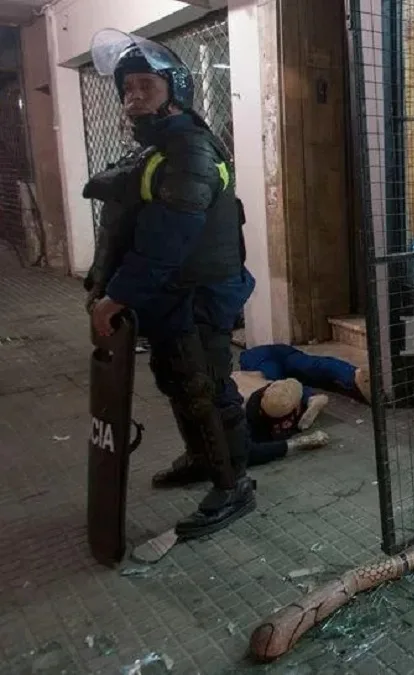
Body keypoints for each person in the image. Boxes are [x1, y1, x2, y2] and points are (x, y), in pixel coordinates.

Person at [84, 31, 256, 539]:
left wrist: (117, 297)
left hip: (198, 294)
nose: (133, 96)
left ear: (175, 92)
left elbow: (167, 240)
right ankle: (203, 459)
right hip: (171, 294)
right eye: (127, 87)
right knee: (177, 379)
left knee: (206, 387)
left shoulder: (189, 151)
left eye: (146, 86)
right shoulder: (158, 148)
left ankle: (234, 485)